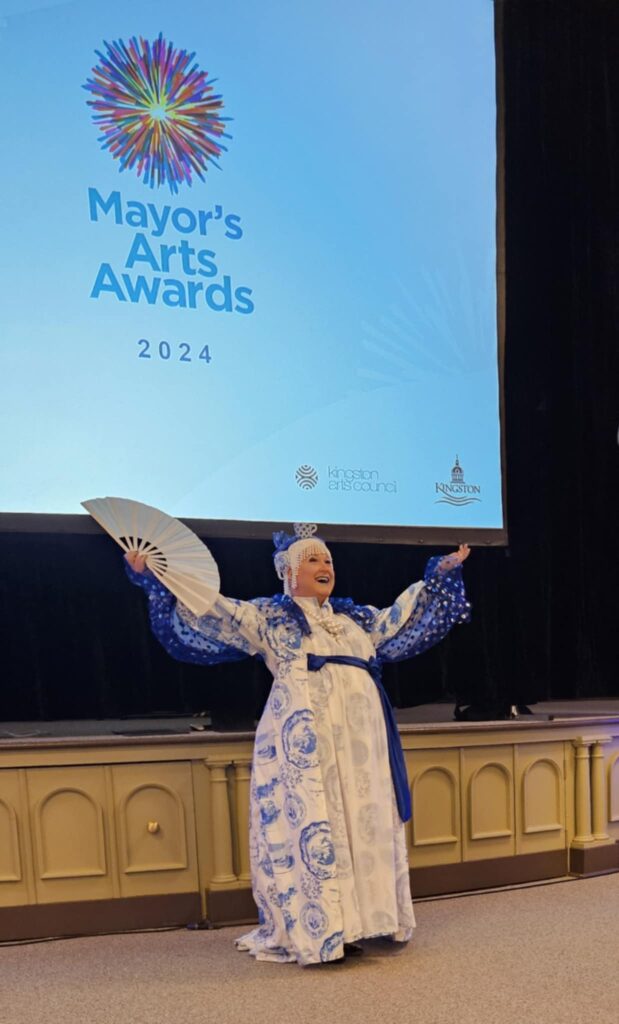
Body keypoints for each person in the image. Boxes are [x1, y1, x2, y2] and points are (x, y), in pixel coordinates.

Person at [125, 525, 470, 965]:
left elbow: (400, 617)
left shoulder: (355, 619)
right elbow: (213, 610)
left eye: (327, 560)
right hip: (305, 738)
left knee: (361, 822)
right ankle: (322, 930)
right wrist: (157, 577)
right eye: (312, 560)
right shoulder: (269, 618)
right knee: (316, 823)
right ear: (288, 573)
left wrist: (437, 574)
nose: (324, 567)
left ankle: (368, 920)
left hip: (361, 742)